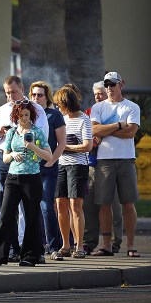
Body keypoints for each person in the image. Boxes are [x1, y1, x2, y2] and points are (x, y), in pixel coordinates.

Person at [0, 100, 52, 267]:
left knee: (32, 216)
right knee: (6, 215)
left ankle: (30, 256)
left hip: (32, 178)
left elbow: (49, 156)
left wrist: (33, 147)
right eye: (21, 115)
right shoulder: (12, 133)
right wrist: (13, 154)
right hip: (13, 178)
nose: (24, 118)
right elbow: (5, 156)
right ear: (16, 116)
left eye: (27, 115)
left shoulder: (37, 132)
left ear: (31, 115)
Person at [90, 72, 141, 258]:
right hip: (104, 160)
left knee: (128, 203)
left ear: (121, 85)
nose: (110, 88)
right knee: (104, 203)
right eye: (107, 85)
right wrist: (119, 125)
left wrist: (106, 129)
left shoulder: (132, 107)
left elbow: (131, 132)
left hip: (126, 159)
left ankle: (131, 244)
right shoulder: (98, 107)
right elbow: (94, 130)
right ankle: (106, 245)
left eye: (113, 84)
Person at [83, 81, 123, 254]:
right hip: (92, 163)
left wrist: (101, 130)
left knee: (112, 204)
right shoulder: (89, 112)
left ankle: (114, 242)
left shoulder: (117, 109)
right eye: (96, 94)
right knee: (89, 204)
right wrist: (99, 132)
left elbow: (124, 131)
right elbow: (89, 133)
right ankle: (89, 242)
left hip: (112, 162)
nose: (98, 96)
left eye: (101, 93)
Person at [53, 86, 92, 259]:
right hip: (61, 165)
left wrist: (65, 147)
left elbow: (87, 146)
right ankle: (65, 244)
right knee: (61, 204)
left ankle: (79, 245)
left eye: (60, 104)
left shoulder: (84, 119)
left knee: (75, 206)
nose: (58, 107)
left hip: (78, 166)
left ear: (67, 102)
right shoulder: (60, 119)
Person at [29, 81, 65, 255]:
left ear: (47, 97)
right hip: (29, 168)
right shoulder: (28, 115)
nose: (36, 98)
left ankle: (53, 246)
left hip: (47, 169)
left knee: (46, 207)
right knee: (32, 208)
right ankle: (38, 245)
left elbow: (61, 142)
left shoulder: (54, 115)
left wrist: (52, 160)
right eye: (34, 94)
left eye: (40, 95)